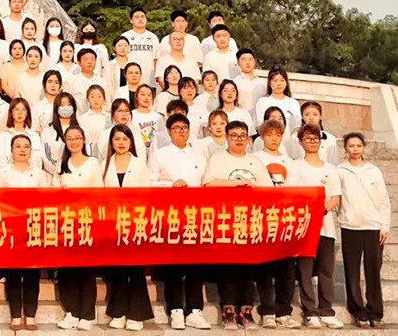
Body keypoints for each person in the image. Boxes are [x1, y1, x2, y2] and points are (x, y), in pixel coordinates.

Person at [203, 121, 274, 329]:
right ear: (226, 137)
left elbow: (268, 190)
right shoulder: (218, 159)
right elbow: (209, 184)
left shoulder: (255, 161)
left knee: (248, 267)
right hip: (226, 221)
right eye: (234, 135)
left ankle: (247, 311)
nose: (239, 139)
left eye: (243, 135)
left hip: (251, 222)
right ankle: (228, 311)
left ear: (249, 139)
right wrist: (236, 183)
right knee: (228, 267)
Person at [147, 114, 211, 330]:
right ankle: (175, 310)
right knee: (173, 264)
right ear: (169, 131)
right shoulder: (160, 155)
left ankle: (195, 310)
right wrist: (171, 186)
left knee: (195, 265)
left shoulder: (199, 156)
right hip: (170, 215)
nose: (181, 131)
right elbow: (150, 182)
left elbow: (206, 184)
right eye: (176, 128)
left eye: (185, 127)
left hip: (195, 216)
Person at [289, 124, 343, 329]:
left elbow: (336, 196)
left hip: (326, 227)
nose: (312, 142)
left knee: (326, 271)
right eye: (307, 139)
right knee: (305, 270)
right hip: (304, 227)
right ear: (300, 142)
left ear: (320, 142)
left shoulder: (330, 169)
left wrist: (325, 208)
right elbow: (291, 195)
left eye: (315, 138)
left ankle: (327, 311)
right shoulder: (295, 166)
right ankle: (310, 311)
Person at [0, 134, 49, 330]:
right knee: (13, 274)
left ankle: (31, 315)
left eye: (26, 146)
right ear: (11, 150)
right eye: (18, 146)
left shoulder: (39, 174)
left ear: (31, 150)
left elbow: (45, 201)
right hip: (11, 228)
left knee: (32, 273)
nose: (22, 150)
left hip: (33, 227)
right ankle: (16, 315)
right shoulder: (2, 173)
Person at [101, 124, 152, 331]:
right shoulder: (105, 164)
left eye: (124, 139)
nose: (121, 143)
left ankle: (136, 314)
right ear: (111, 142)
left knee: (135, 269)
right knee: (118, 270)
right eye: (117, 139)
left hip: (135, 222)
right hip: (113, 223)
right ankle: (118, 312)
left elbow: (146, 194)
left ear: (131, 141)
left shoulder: (139, 164)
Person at [338, 132, 390, 328]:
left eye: (358, 145)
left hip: (373, 226)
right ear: (345, 148)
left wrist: (384, 225)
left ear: (364, 147)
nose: (355, 149)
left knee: (373, 271)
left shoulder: (373, 170)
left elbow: (383, 200)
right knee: (352, 271)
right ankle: (358, 311)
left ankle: (375, 311)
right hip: (350, 226)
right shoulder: (340, 170)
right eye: (351, 146)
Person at [56, 125, 102, 331]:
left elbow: (99, 191)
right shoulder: (61, 164)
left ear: (83, 140)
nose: (73, 142)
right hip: (66, 222)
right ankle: (72, 312)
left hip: (87, 221)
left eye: (77, 138)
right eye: (70, 139)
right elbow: (54, 190)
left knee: (86, 269)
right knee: (67, 270)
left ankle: (87, 314)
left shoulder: (93, 163)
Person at [0, 97, 43, 171]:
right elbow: (2, 161)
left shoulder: (34, 136)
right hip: (9, 174)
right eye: (16, 110)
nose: (20, 113)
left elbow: (38, 161)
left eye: (23, 110)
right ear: (11, 112)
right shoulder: (3, 136)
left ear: (27, 113)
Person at [254, 67, 301, 133]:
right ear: (269, 83)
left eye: (282, 80)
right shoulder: (262, 102)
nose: (279, 84)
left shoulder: (293, 103)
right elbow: (259, 125)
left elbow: (297, 126)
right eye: (275, 81)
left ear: (286, 83)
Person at [121, 8, 159, 88]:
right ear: (131, 20)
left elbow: (156, 60)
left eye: (142, 16)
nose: (140, 19)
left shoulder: (153, 37)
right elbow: (121, 59)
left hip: (149, 81)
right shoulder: (125, 36)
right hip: (130, 81)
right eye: (137, 17)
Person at [232, 48, 266, 115]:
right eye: (244, 60)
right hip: (241, 117)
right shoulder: (234, 83)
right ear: (238, 63)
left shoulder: (263, 83)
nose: (247, 62)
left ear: (254, 62)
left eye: (250, 59)